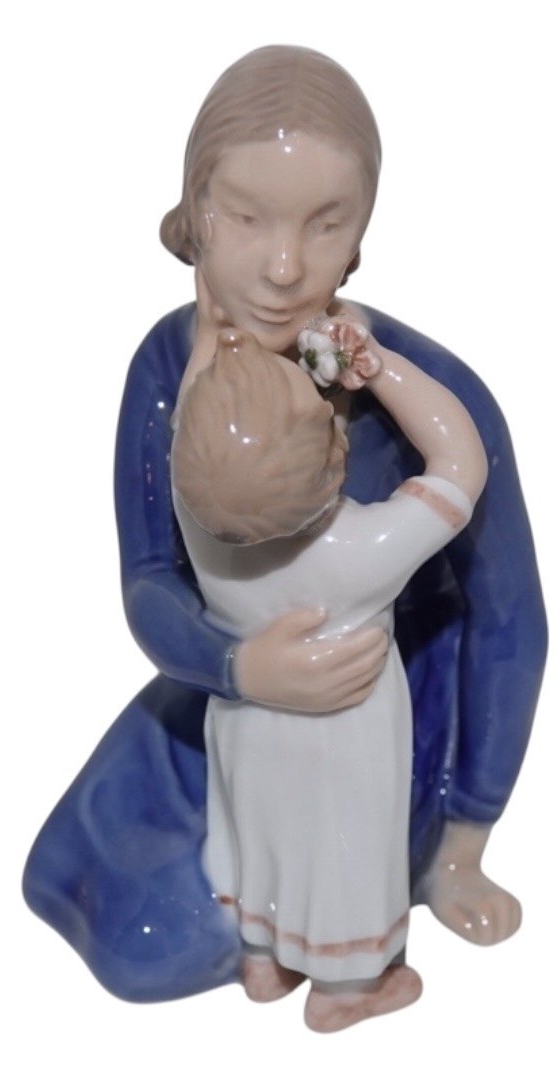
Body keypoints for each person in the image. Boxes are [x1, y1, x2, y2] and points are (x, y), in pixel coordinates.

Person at [23, 45, 548, 1005]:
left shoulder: (430, 391)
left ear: (363, 233)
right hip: (222, 705)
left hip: (383, 725)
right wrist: (239, 669)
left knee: (197, 930)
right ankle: (284, 943)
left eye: (325, 222)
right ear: (195, 213)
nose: (282, 265)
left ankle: (319, 953)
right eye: (244, 215)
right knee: (122, 922)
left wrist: (463, 839)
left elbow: (509, 621)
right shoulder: (166, 371)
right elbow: (150, 579)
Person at [172, 321, 486, 1031]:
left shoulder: (200, 523)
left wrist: (214, 337)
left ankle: (263, 958)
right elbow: (461, 461)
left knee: (262, 834)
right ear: (334, 455)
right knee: (344, 852)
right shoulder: (361, 551)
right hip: (346, 733)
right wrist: (381, 370)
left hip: (248, 724)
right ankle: (347, 988)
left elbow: (197, 413)